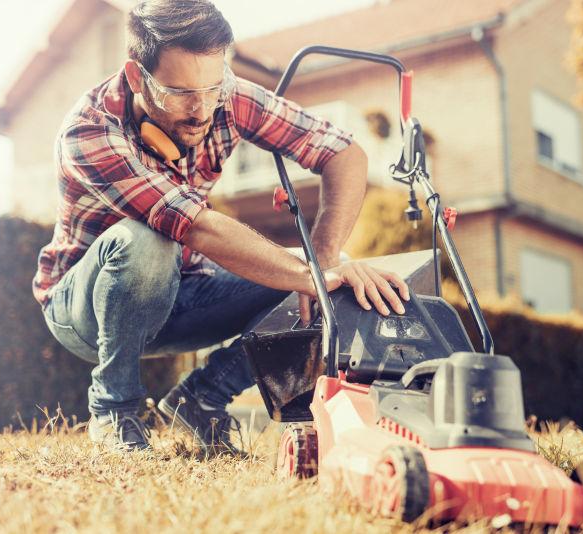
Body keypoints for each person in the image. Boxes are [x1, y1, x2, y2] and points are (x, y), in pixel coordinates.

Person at [33, 0, 409, 452]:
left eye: (211, 88)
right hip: (83, 313)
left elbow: (344, 154)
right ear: (137, 77)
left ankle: (202, 398)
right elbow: (194, 226)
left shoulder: (225, 95)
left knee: (325, 275)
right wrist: (312, 275)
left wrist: (323, 263)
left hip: (185, 293)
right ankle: (114, 410)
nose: (201, 109)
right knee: (147, 238)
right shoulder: (89, 131)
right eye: (181, 93)